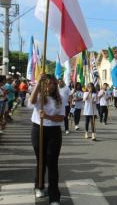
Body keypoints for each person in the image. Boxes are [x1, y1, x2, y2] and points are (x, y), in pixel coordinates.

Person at [29, 74, 64, 205]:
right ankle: (39, 186)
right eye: (47, 83)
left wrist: (48, 116)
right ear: (44, 85)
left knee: (52, 163)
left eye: (53, 84)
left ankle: (54, 196)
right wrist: (38, 83)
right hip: (38, 129)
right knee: (41, 160)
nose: (50, 86)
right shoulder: (38, 96)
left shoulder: (60, 99)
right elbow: (31, 101)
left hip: (54, 132)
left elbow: (61, 118)